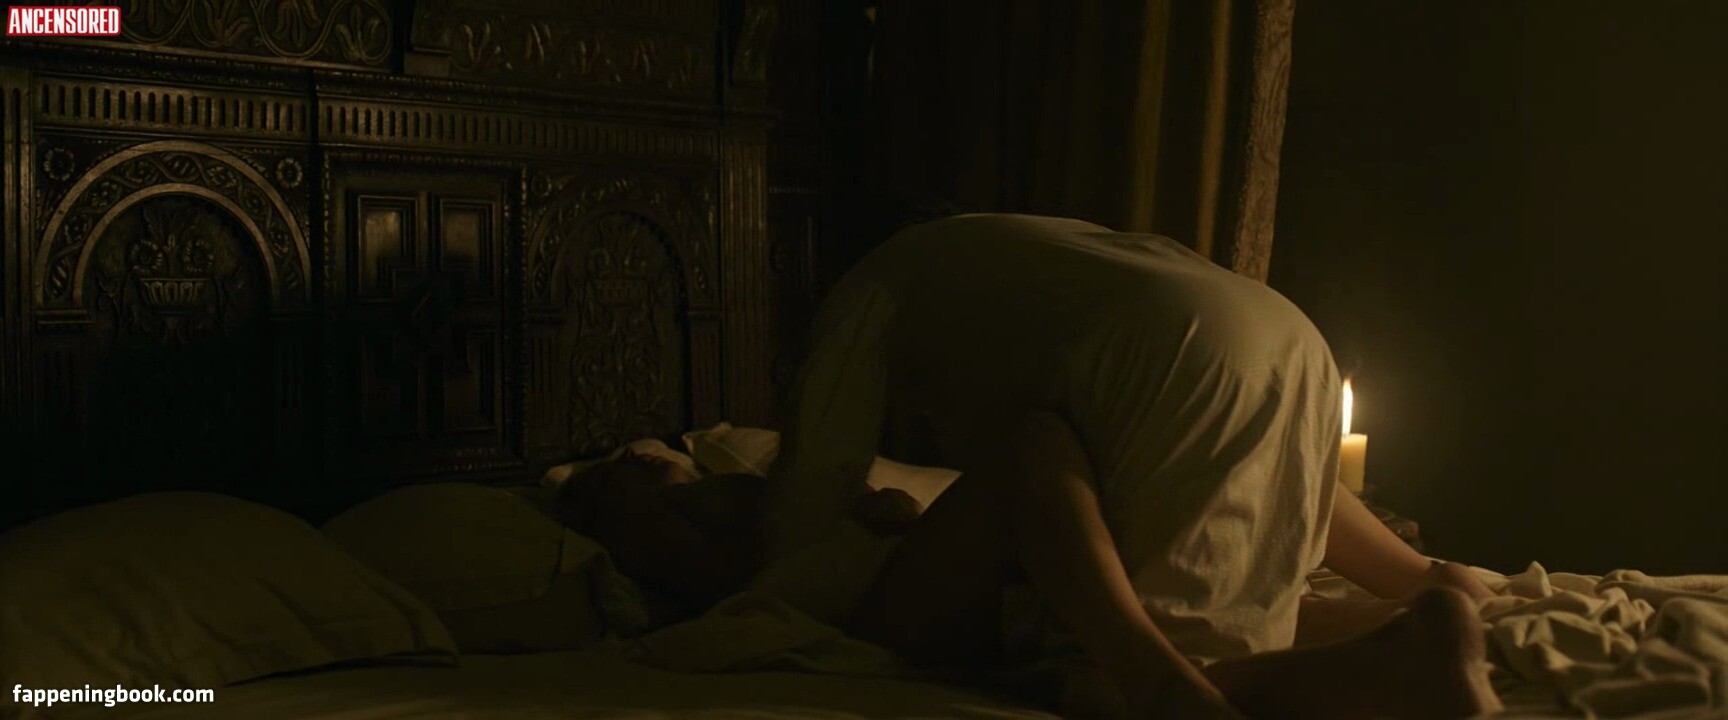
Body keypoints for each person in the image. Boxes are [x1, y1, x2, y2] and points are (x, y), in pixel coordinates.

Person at [562, 213, 1504, 719]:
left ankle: (1164, 678)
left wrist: (862, 519)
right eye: (627, 470)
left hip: (1153, 350)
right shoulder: (990, 256)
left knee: (1130, 641)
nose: (643, 461)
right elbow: (790, 546)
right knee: (1209, 566)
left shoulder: (872, 295)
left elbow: (809, 496)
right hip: (1280, 330)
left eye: (643, 462)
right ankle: (1417, 608)